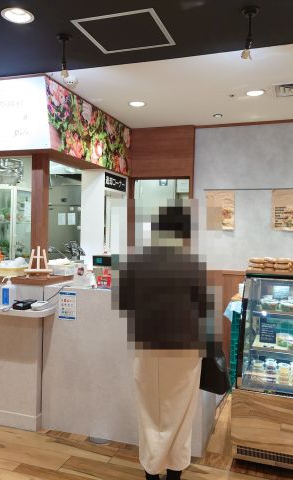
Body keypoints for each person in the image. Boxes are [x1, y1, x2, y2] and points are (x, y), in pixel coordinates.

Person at [113, 201, 211, 480]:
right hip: (187, 351)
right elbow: (203, 310)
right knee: (181, 414)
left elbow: (125, 302)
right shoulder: (192, 265)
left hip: (150, 348)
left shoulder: (138, 263)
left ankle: (151, 472)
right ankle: (175, 474)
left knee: (150, 413)